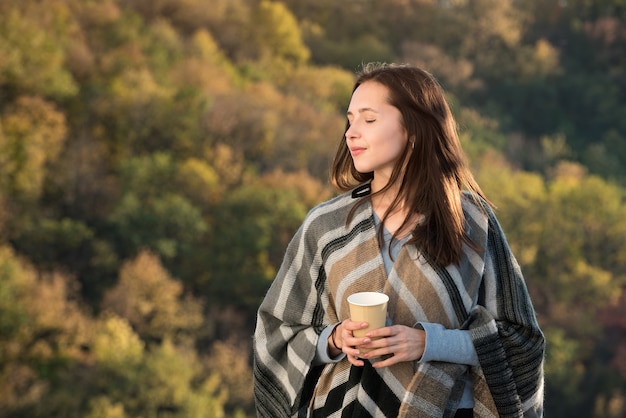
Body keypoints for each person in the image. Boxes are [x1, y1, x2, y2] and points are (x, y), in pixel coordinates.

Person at [253, 62, 545, 417]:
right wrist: (333, 340)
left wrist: (428, 343)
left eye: (369, 120)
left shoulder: (471, 221)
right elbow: (276, 336)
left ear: (413, 129)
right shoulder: (326, 227)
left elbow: (521, 342)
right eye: (350, 119)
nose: (351, 132)